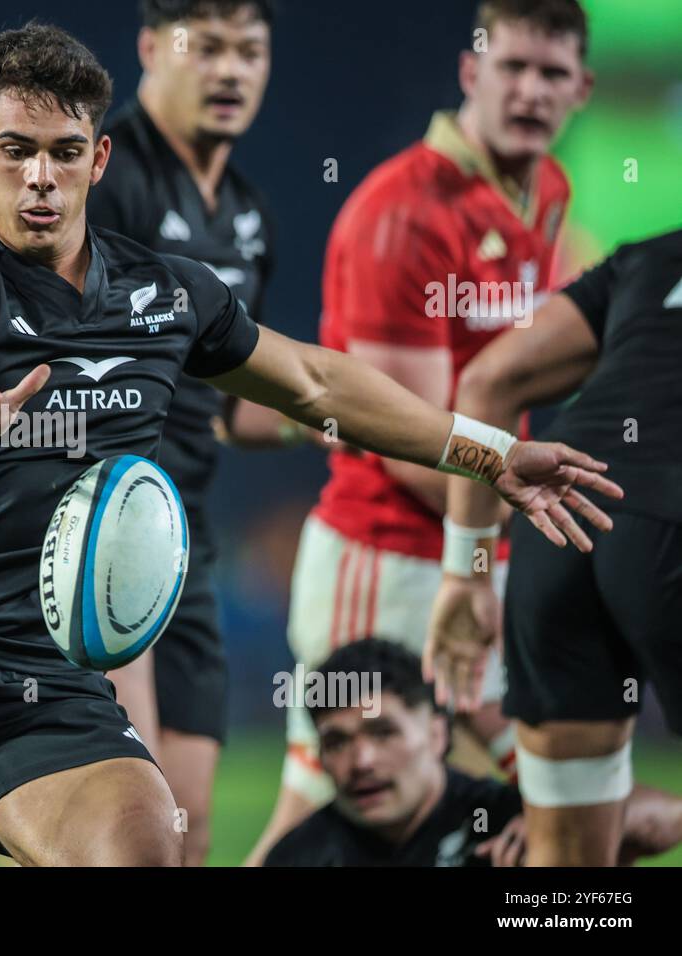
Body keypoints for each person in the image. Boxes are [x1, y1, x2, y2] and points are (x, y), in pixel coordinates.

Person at [0, 21, 618, 867]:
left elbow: (317, 384)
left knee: (150, 848)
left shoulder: (169, 295)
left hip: (44, 682)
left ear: (99, 159)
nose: (41, 177)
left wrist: (489, 451)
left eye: (64, 150)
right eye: (16, 150)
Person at [250, 0, 595, 865]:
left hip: (473, 547)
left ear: (583, 89)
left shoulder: (544, 191)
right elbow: (406, 446)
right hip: (385, 554)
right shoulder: (400, 217)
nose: (530, 91)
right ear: (470, 73)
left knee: (572, 799)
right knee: (317, 816)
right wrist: (530, 504)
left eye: (551, 73)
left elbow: (572, 317)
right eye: (511, 67)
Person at [85, 0, 298, 865]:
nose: (231, 71)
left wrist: (339, 416)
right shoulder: (107, 178)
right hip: (101, 525)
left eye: (249, 51)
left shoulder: (250, 214)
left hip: (189, 546)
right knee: (115, 823)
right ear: (149, 49)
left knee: (187, 828)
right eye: (205, 48)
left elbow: (239, 407)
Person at [427, 227, 682, 865]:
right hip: (667, 526)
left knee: (566, 873)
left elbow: (489, 381)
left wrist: (468, 575)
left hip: (562, 522)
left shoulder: (651, 257)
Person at [264, 639, 682, 866]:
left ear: (436, 733)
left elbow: (666, 816)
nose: (362, 762)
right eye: (338, 742)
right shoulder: (300, 855)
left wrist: (567, 825)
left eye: (383, 732)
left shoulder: (505, 819)